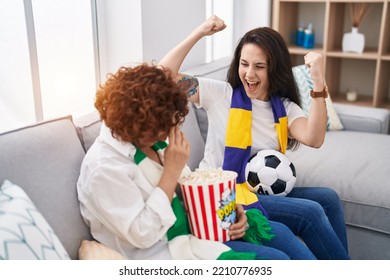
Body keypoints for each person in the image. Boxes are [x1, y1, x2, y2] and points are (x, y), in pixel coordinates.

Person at [76, 63, 316, 260]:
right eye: (162, 127)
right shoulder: (103, 169)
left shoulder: (151, 142)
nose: (169, 133)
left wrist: (230, 210)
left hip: (198, 231)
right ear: (136, 124)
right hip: (166, 252)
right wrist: (171, 170)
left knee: (282, 233)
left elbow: (191, 193)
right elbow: (143, 234)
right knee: (277, 260)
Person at [159, 15, 350, 260]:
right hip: (224, 192)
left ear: (274, 69)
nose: (249, 74)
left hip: (259, 189)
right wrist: (200, 32)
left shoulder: (284, 107)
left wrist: (318, 82)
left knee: (328, 199)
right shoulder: (220, 95)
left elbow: (314, 138)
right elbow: (162, 77)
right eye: (244, 63)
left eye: (259, 66)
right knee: (310, 212)